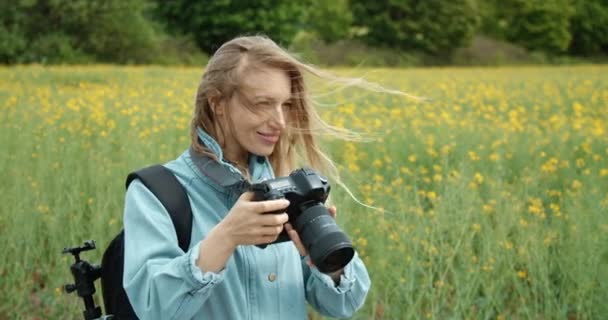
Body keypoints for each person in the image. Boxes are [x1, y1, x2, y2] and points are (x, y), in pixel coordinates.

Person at [122, 35, 371, 320]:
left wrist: (325, 259)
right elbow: (150, 309)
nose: (279, 120)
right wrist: (226, 237)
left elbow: (345, 304)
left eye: (286, 105)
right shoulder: (155, 193)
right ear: (217, 102)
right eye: (262, 103)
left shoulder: (288, 188)